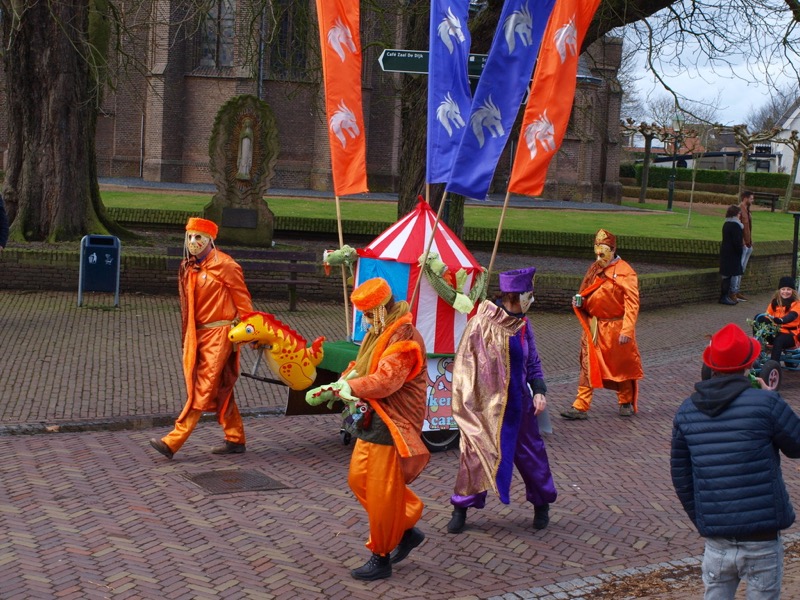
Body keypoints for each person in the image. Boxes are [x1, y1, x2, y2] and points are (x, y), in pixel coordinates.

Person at [306, 277, 429, 581]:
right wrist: (339, 383)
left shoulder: (403, 338)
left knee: (381, 490)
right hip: (373, 416)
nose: (362, 320)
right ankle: (405, 526)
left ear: (378, 310)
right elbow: (363, 367)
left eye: (365, 313)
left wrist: (348, 385)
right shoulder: (380, 332)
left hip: (393, 418)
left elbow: (386, 380)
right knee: (359, 479)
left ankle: (381, 555)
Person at [671, 322, 800, 599]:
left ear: (711, 365)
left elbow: (681, 478)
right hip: (763, 534)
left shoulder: (686, 411)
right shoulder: (765, 404)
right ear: (750, 363)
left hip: (717, 537)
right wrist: (772, 399)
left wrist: (706, 519)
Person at [446, 267, 557, 535]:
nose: (532, 300)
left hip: (519, 404)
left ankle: (542, 504)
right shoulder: (481, 323)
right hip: (485, 407)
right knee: (474, 455)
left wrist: (539, 390)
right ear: (514, 296)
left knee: (532, 455)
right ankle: (461, 507)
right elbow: (466, 365)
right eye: (529, 294)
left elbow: (533, 362)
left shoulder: (523, 325)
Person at [149, 217, 253, 459]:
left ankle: (174, 440)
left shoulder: (226, 265)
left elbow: (243, 301)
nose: (193, 242)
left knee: (202, 387)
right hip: (198, 334)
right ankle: (235, 438)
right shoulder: (189, 266)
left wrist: (251, 333)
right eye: (190, 237)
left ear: (211, 240)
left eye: (199, 237)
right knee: (221, 387)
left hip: (221, 334)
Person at [561, 229, 643, 420]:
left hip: (616, 327)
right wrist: (581, 302)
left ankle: (625, 401)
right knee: (587, 365)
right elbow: (587, 292)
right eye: (597, 252)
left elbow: (632, 302)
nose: (599, 257)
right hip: (595, 326)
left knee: (621, 367)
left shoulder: (626, 272)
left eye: (603, 252)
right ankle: (581, 405)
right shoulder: (594, 269)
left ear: (613, 250)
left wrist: (627, 329)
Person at [754, 276, 800, 362]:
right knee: (759, 319)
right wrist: (760, 322)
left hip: (791, 335)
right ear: (779, 290)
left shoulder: (796, 304)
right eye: (783, 289)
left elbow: (792, 315)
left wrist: (782, 320)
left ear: (793, 291)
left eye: (788, 289)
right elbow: (767, 316)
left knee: (779, 340)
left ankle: (774, 365)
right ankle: (757, 356)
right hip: (775, 332)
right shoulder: (774, 303)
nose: (785, 292)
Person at [730, 190, 755, 301]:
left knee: (741, 269)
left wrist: (750, 241)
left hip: (748, 244)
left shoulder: (747, 211)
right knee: (737, 269)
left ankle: (737, 290)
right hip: (743, 245)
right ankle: (733, 292)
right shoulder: (739, 210)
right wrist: (743, 243)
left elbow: (748, 227)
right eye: (751, 198)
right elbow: (737, 228)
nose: (752, 200)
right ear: (745, 198)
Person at [718, 204, 743, 306]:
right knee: (728, 275)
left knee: (726, 275)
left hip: (725, 251)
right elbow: (737, 242)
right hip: (732, 253)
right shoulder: (736, 225)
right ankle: (724, 296)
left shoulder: (726, 224)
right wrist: (740, 251)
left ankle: (725, 296)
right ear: (737, 214)